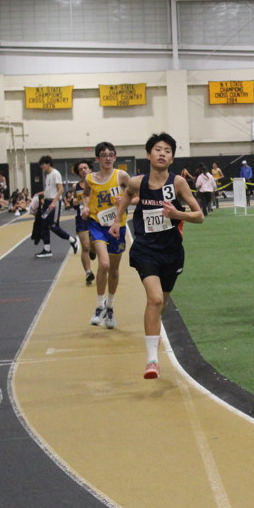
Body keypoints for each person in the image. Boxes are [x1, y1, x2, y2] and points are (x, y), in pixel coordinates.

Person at [109, 133, 203, 379]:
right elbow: (127, 195)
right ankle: (152, 360)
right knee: (155, 298)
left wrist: (177, 215)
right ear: (149, 154)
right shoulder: (137, 182)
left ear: (172, 158)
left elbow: (199, 216)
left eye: (168, 151)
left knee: (162, 302)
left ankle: (152, 330)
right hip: (145, 250)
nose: (162, 154)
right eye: (158, 149)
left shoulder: (178, 183)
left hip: (171, 252)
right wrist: (117, 220)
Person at [84, 143, 131, 329]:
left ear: (115, 157)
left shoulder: (122, 176)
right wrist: (85, 207)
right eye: (104, 155)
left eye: (111, 155)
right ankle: (99, 306)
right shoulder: (90, 179)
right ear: (97, 158)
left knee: (114, 269)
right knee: (104, 264)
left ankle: (110, 306)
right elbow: (85, 195)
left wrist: (125, 200)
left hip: (117, 226)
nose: (108, 158)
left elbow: (136, 195)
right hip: (97, 225)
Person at [35, 155, 79, 259]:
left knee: (53, 226)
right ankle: (47, 249)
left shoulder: (55, 173)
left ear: (48, 164)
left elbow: (61, 189)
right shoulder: (48, 175)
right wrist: (43, 193)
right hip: (47, 202)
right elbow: (51, 189)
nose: (41, 167)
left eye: (42, 164)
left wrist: (54, 202)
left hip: (53, 203)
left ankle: (72, 240)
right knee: (44, 225)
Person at [72, 161, 97, 286]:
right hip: (81, 219)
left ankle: (93, 251)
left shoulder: (96, 183)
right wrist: (74, 201)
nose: (83, 170)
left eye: (85, 168)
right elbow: (74, 200)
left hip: (94, 217)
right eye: (80, 169)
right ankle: (88, 272)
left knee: (93, 245)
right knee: (85, 246)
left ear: (90, 170)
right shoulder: (75, 186)